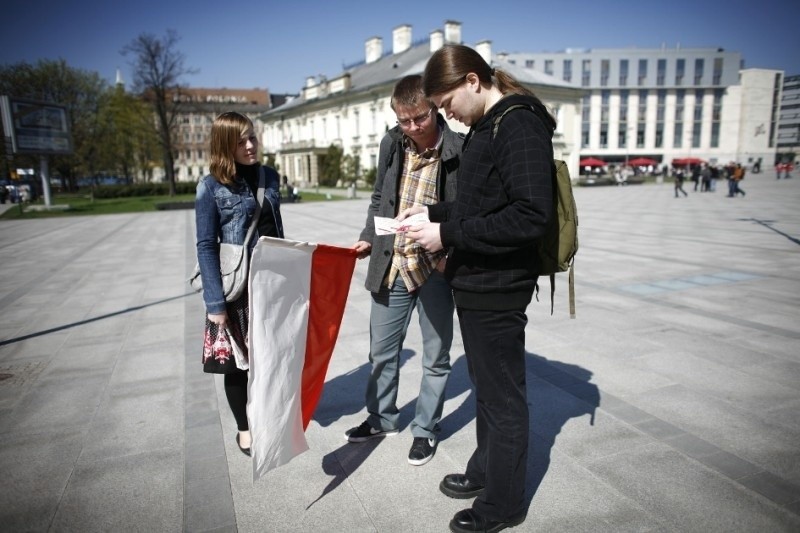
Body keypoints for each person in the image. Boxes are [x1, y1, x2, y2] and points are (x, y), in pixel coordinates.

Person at [401, 44, 557, 533]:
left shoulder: (518, 123)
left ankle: (504, 504)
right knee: (489, 395)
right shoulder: (488, 126)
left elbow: (531, 215)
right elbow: (479, 202)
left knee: (502, 399)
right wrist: (433, 213)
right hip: (477, 282)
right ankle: (485, 472)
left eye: (447, 102)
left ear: (473, 80)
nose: (446, 113)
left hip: (498, 285)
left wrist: (447, 235)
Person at [346, 74, 462, 466]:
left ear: (433, 109)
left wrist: (452, 249)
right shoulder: (391, 143)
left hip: (436, 267)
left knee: (436, 356)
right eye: (403, 120)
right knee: (381, 351)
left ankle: (426, 429)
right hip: (393, 261)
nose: (412, 128)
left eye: (419, 119)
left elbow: (466, 210)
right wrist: (368, 236)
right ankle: (382, 418)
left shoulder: (459, 148)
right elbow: (380, 196)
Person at [194, 111, 284, 456]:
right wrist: (214, 304)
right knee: (237, 365)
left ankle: (269, 416)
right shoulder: (210, 187)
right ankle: (244, 429)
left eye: (252, 137)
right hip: (237, 290)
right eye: (241, 140)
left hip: (272, 282)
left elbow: (275, 229)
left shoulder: (269, 177)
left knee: (273, 357)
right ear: (224, 145)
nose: (250, 145)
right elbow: (205, 245)